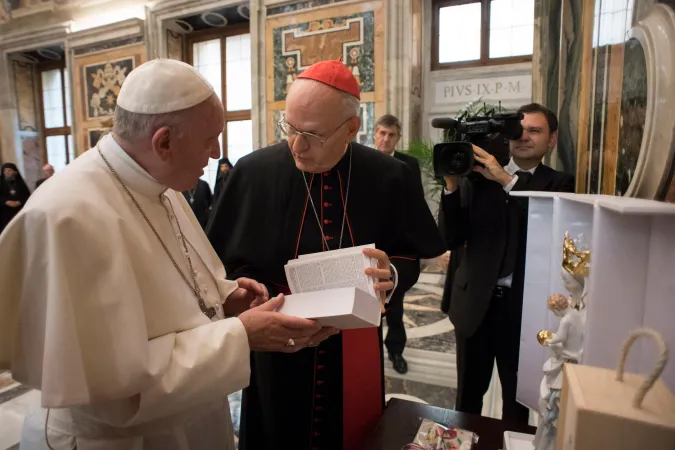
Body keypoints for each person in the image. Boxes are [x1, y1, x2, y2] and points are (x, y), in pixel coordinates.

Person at [0, 58, 336, 450]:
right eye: (210, 138)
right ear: (163, 142)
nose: (216, 154)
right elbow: (109, 392)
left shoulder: (161, 184)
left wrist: (224, 299)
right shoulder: (65, 217)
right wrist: (240, 336)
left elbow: (175, 292)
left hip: (188, 419)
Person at [207, 60, 446, 450]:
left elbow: (407, 255)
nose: (297, 146)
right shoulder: (253, 173)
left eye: (313, 135)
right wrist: (244, 290)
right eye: (290, 128)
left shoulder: (389, 176)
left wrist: (394, 276)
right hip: (277, 342)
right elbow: (223, 262)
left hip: (353, 344)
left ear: (351, 129)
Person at [440, 103, 575, 424]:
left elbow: (549, 229)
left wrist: (506, 179)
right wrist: (451, 186)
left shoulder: (560, 183)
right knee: (467, 400)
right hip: (475, 306)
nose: (523, 137)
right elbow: (452, 238)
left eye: (534, 131)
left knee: (518, 403)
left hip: (524, 314)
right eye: (518, 130)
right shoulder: (479, 177)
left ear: (552, 139)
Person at [373, 114, 423, 374]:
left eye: (391, 135)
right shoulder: (361, 161)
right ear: (374, 134)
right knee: (368, 301)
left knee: (396, 302)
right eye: (382, 133)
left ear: (398, 138)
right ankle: (369, 352)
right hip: (368, 242)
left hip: (397, 246)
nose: (386, 138)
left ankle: (395, 350)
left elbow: (416, 204)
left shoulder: (409, 164)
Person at [0, 162, 30, 235]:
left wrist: (19, 202)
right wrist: (6, 202)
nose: (6, 172)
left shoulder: (21, 183)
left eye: (9, 170)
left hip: (18, 210)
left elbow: (27, 196)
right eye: (5, 170)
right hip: (4, 212)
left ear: (15, 172)